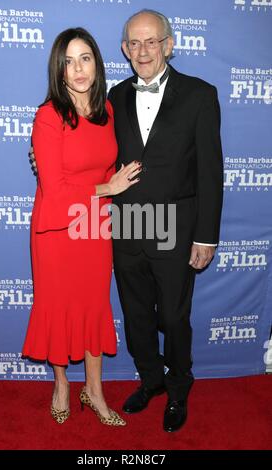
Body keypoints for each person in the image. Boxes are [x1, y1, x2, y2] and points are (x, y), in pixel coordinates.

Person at [108, 9, 223, 432]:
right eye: (134, 43)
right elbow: (90, 154)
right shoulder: (114, 96)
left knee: (174, 318)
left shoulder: (199, 95)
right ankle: (151, 380)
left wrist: (206, 236)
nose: (143, 50)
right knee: (136, 314)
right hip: (128, 227)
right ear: (124, 49)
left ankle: (178, 389)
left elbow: (211, 171)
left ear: (169, 45)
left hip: (177, 227)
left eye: (152, 41)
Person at [22, 27, 142, 426]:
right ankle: (61, 385)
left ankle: (94, 390)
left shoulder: (108, 112)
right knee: (58, 309)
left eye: (85, 58)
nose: (77, 69)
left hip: (93, 227)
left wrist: (107, 190)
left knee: (93, 308)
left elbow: (108, 164)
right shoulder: (48, 116)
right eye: (69, 61)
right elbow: (54, 190)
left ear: (97, 63)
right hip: (57, 231)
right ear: (59, 70)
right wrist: (107, 186)